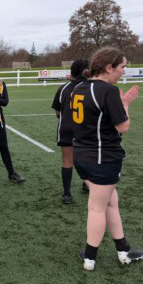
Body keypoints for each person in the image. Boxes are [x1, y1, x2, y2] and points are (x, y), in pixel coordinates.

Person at [72, 47, 143, 271]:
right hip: (102, 158)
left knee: (111, 201)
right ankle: (90, 258)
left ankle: (123, 250)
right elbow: (123, 127)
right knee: (96, 207)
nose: (124, 71)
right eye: (122, 66)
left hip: (82, 155)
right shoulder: (108, 91)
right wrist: (125, 106)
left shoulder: (79, 87)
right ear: (108, 67)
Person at [52, 60, 89, 204]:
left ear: (72, 71)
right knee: (86, 158)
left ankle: (67, 194)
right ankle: (87, 184)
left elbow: (57, 112)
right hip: (86, 130)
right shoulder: (90, 87)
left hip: (66, 129)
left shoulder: (63, 88)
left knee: (67, 161)